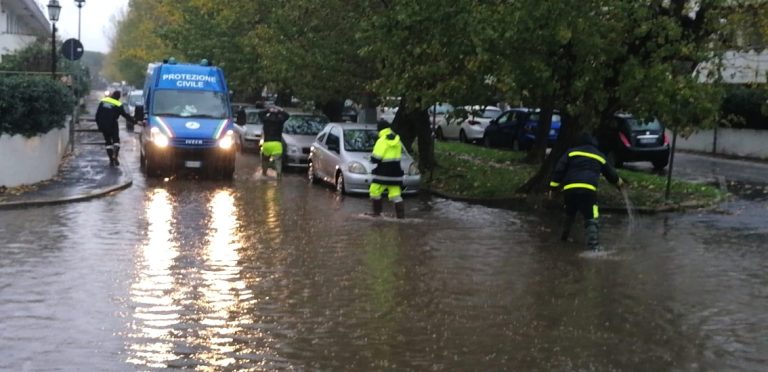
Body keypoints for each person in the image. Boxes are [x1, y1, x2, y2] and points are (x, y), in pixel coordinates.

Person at [550, 133, 624, 250]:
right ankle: (593, 247)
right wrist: (619, 183)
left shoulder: (571, 153)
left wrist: (553, 188)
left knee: (569, 214)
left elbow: (559, 170)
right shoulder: (599, 156)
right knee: (591, 217)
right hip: (588, 191)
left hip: (570, 190)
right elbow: (611, 174)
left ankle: (563, 238)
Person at [369, 119, 405, 219]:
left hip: (383, 174)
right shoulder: (397, 140)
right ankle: (401, 217)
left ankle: (377, 214)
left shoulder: (381, 141)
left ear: (379, 130)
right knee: (396, 195)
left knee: (374, 191)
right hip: (396, 173)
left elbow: (376, 158)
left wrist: (371, 159)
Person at [95, 90, 136, 166]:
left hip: (103, 125)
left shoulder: (103, 101)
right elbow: (125, 115)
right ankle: (115, 155)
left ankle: (111, 159)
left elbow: (97, 115)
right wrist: (134, 121)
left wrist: (99, 126)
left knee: (108, 142)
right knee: (116, 141)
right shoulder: (118, 104)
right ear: (119, 97)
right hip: (113, 124)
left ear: (112, 94)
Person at [258, 107, 289, 177]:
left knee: (265, 160)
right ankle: (278, 175)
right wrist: (280, 110)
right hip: (277, 144)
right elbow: (287, 115)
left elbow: (259, 114)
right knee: (278, 161)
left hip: (267, 144)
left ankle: (264, 173)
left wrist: (268, 109)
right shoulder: (280, 121)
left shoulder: (265, 120)